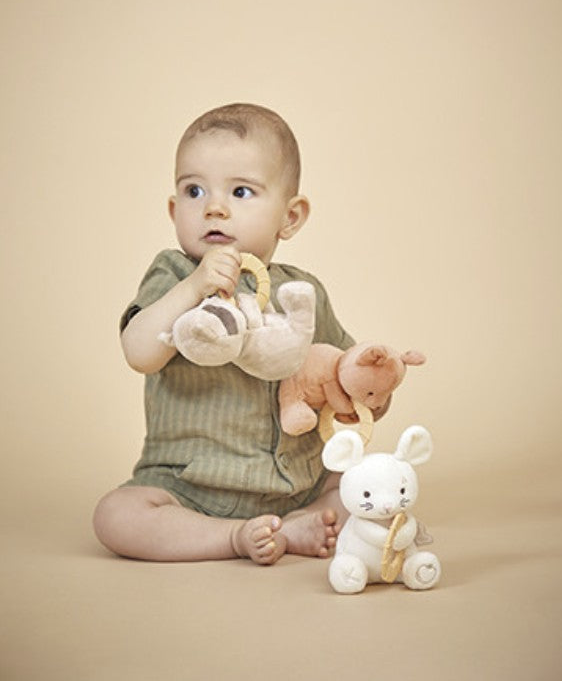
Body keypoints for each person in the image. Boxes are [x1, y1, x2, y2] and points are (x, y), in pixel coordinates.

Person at [94, 103, 364, 565]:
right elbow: (139, 352)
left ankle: (300, 523)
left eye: (241, 191)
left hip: (298, 481)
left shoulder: (301, 292)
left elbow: (341, 367)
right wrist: (195, 286)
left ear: (290, 217)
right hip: (187, 487)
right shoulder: (174, 273)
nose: (214, 207)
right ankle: (232, 536)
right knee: (116, 515)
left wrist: (370, 381)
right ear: (174, 209)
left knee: (357, 485)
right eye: (194, 190)